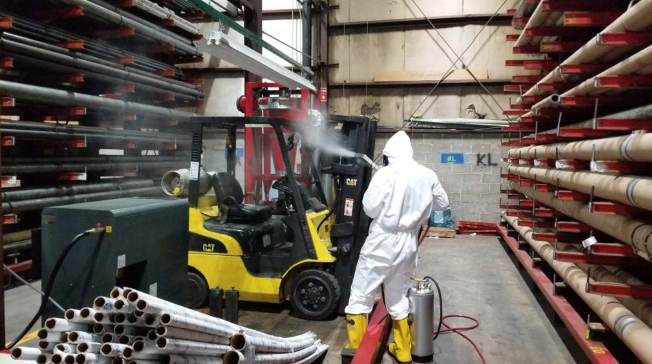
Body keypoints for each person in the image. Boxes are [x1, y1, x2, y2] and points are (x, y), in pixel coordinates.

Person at [344, 131, 449, 363]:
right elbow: (443, 202)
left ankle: (357, 350)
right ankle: (402, 351)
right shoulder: (427, 173)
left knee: (361, 294)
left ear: (389, 154)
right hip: (408, 243)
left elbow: (370, 209)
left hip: (383, 240)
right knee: (399, 297)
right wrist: (419, 203)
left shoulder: (385, 173)